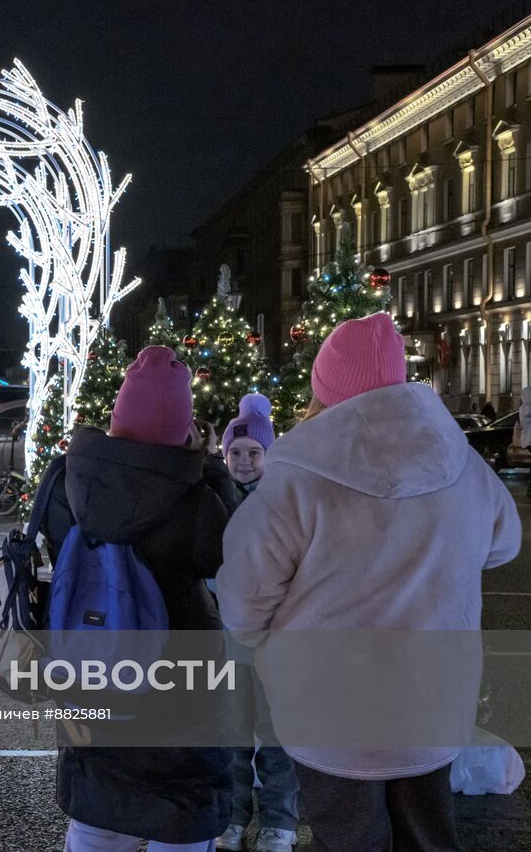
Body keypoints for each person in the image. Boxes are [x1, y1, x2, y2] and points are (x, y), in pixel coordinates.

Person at [218, 313, 520, 851]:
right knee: (428, 834)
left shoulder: (296, 477)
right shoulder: (461, 461)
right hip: (433, 695)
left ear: (325, 387)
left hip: (331, 706)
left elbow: (244, 603)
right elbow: (503, 544)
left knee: (350, 837)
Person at [44, 346, 232, 852]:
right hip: (181, 687)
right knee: (180, 819)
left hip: (91, 673)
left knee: (98, 815)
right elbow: (229, 558)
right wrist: (208, 466)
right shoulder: (194, 499)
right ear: (183, 423)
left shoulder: (69, 481)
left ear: (118, 413)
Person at [213, 394, 298, 852]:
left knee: (277, 736)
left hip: (273, 643)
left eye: (253, 453)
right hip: (229, 644)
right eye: (235, 453)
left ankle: (279, 820)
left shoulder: (283, 503)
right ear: (224, 455)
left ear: (269, 455)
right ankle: (232, 816)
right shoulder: (216, 500)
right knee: (232, 736)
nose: (244, 462)